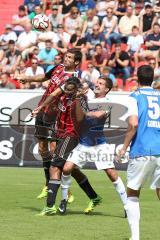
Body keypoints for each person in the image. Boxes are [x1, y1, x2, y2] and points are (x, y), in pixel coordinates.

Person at [19, 49, 99, 204]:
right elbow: (44, 77)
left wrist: (41, 107)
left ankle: (64, 191)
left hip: (56, 116)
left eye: (69, 57)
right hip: (43, 111)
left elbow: (56, 93)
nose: (66, 58)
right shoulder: (59, 67)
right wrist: (27, 79)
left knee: (56, 154)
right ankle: (48, 183)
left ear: (76, 62)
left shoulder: (74, 78)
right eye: (66, 56)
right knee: (43, 149)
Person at [32, 77, 102, 216]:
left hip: (71, 135)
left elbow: (81, 119)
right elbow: (54, 109)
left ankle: (50, 206)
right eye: (66, 89)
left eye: (71, 90)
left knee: (54, 166)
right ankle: (94, 197)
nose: (67, 92)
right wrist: (40, 109)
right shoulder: (62, 97)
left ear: (76, 89)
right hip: (60, 134)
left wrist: (77, 99)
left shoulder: (80, 100)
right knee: (71, 169)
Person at [60, 77, 127, 214]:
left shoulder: (108, 102)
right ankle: (63, 200)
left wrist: (82, 107)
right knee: (66, 169)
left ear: (107, 89)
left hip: (99, 145)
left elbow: (97, 115)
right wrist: (78, 93)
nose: (97, 84)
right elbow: (78, 84)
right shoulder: (87, 95)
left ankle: (127, 205)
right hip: (83, 144)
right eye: (97, 82)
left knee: (112, 174)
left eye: (101, 84)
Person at [117, 65, 160, 240]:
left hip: (142, 149)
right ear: (152, 79)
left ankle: (135, 237)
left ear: (136, 78)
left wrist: (124, 147)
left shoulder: (134, 97)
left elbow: (133, 124)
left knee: (133, 192)